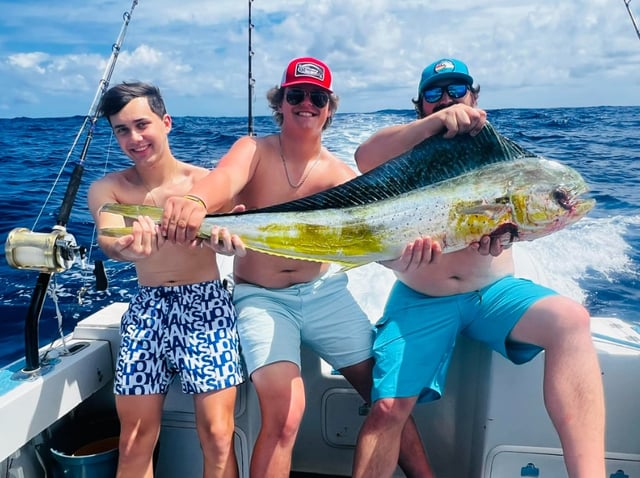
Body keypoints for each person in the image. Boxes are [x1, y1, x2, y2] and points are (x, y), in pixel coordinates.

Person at [160, 57, 434, 478]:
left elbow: (373, 236)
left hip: (325, 295)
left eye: (317, 97)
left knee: (387, 396)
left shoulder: (339, 175)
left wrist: (411, 254)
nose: (307, 103)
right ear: (281, 103)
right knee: (287, 414)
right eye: (296, 95)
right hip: (261, 299)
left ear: (328, 108)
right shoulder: (253, 150)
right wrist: (197, 203)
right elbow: (224, 181)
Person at [351, 58, 606, 478]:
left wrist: (515, 232)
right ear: (420, 106)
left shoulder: (504, 158)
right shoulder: (404, 149)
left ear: (475, 96)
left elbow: (539, 208)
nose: (447, 99)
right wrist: (435, 125)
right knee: (386, 409)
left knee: (570, 321)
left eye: (457, 90)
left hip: (494, 293)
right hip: (422, 299)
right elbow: (364, 157)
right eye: (434, 94)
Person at [87, 81, 244, 478]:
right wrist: (126, 249)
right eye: (122, 130)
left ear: (166, 122)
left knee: (219, 437)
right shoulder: (109, 188)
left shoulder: (206, 185)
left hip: (207, 306)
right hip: (148, 310)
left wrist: (229, 243)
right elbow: (108, 236)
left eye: (142, 124)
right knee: (135, 438)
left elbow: (238, 238)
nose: (134, 138)